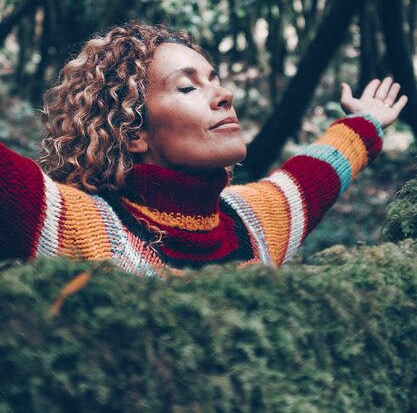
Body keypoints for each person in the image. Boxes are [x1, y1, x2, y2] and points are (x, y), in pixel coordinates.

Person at [0, 22, 408, 277]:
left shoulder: (253, 223)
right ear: (132, 132)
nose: (224, 94)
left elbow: (316, 171)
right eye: (188, 87)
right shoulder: (74, 224)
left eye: (215, 80)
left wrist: (365, 121)